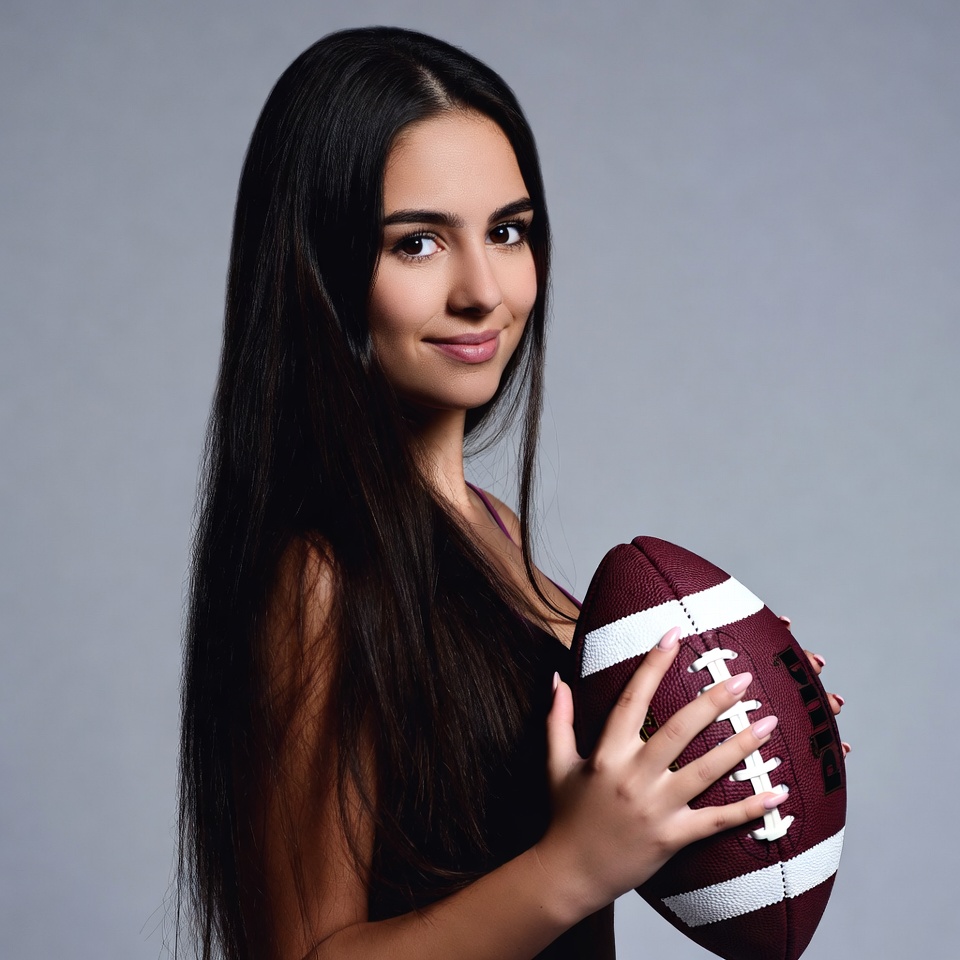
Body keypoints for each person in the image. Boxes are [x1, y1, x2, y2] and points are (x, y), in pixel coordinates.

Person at [177, 26, 844, 960]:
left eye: (507, 231)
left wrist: (739, 726)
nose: (483, 291)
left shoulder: (488, 525)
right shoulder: (321, 575)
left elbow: (577, 822)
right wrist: (575, 866)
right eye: (417, 243)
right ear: (317, 268)